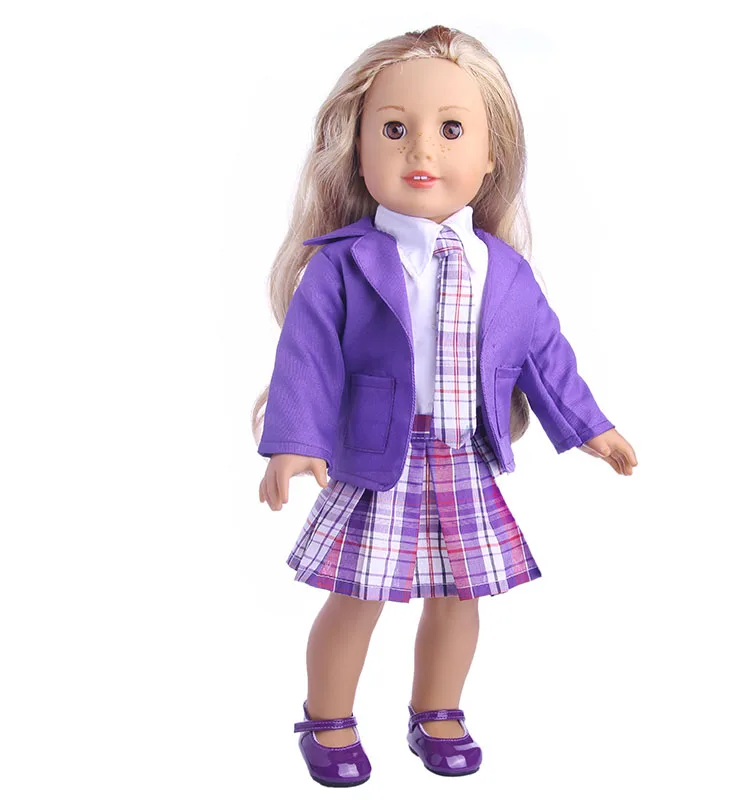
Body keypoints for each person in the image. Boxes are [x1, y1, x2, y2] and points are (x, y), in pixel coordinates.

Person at [252, 24, 638, 787]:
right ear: (357, 150)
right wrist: (295, 439)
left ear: (492, 155)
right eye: (395, 130)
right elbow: (305, 355)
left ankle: (437, 710)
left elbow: (545, 353)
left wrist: (591, 427)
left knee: (461, 598)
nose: (421, 151)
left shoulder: (504, 268)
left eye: (452, 129)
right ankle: (327, 718)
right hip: (376, 461)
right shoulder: (343, 264)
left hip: (463, 458)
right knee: (356, 596)